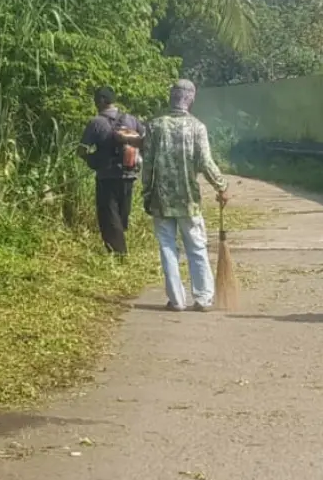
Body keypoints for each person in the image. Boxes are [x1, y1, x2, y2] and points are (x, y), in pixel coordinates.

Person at [128, 80, 228, 312]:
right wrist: (221, 186)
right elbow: (205, 162)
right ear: (191, 99)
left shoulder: (155, 126)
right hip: (188, 200)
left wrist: (146, 192)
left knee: (167, 247)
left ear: (170, 98)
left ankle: (176, 300)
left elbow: (148, 164)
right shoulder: (197, 127)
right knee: (196, 246)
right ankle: (203, 298)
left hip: (161, 200)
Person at [79, 87, 144, 255]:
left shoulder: (96, 123)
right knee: (122, 214)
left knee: (109, 215)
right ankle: (120, 245)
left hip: (106, 176)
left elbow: (82, 150)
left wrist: (91, 160)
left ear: (101, 100)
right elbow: (145, 141)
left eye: (95, 100)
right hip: (129, 175)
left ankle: (119, 253)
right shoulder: (131, 119)